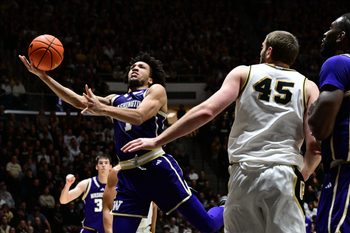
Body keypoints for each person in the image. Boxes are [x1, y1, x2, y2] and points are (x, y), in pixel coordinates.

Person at [122, 31, 322, 233]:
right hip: (285, 174)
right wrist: (301, 176)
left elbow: (206, 111)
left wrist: (158, 140)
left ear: (269, 51)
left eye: (262, 47)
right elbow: (314, 147)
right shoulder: (309, 87)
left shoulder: (244, 73)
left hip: (243, 174)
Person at [19, 52, 224, 233]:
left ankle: (226, 205)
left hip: (155, 167)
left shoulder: (155, 91)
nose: (135, 68)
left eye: (141, 67)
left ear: (150, 78)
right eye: (133, 66)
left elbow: (139, 116)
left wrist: (102, 109)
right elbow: (79, 101)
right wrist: (44, 77)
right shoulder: (115, 99)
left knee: (206, 226)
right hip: (128, 176)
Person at [308, 13, 350, 233]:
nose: (325, 34)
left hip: (345, 168)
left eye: (331, 29)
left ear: (342, 36)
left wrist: (312, 112)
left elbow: (321, 127)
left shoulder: (338, 62)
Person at [59, 154, 113, 232]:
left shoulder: (117, 185)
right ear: (96, 167)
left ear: (110, 167)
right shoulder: (87, 184)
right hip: (89, 230)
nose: (103, 165)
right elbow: (63, 200)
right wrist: (67, 185)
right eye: (100, 163)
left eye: (106, 163)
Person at [103, 165, 157, 233]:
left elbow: (154, 203)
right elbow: (107, 207)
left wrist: (153, 229)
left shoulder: (152, 168)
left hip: (145, 228)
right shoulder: (116, 172)